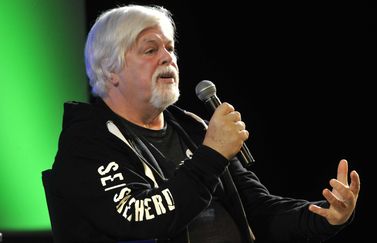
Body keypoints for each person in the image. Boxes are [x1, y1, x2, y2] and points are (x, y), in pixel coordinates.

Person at [44, 4, 360, 243]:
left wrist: (325, 215)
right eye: (151, 50)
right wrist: (211, 156)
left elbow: (258, 209)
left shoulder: (193, 128)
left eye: (170, 48)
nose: (167, 58)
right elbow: (136, 218)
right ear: (110, 69)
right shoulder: (86, 141)